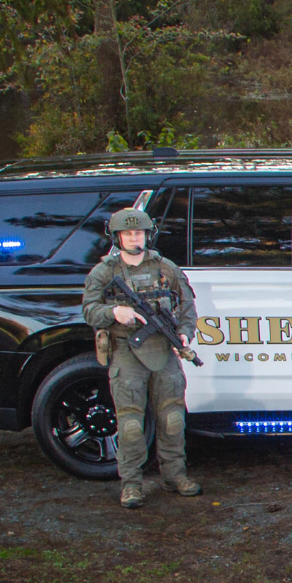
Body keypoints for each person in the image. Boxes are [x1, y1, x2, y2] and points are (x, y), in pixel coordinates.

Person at [81, 206, 201, 509]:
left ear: (148, 235)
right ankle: (131, 484)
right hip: (126, 353)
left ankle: (174, 475)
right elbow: (89, 310)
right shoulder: (105, 272)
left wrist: (185, 333)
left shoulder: (165, 268)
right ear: (117, 236)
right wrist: (113, 312)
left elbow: (186, 304)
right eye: (128, 233)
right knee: (131, 424)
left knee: (172, 418)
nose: (135, 238)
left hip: (163, 351)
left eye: (139, 233)